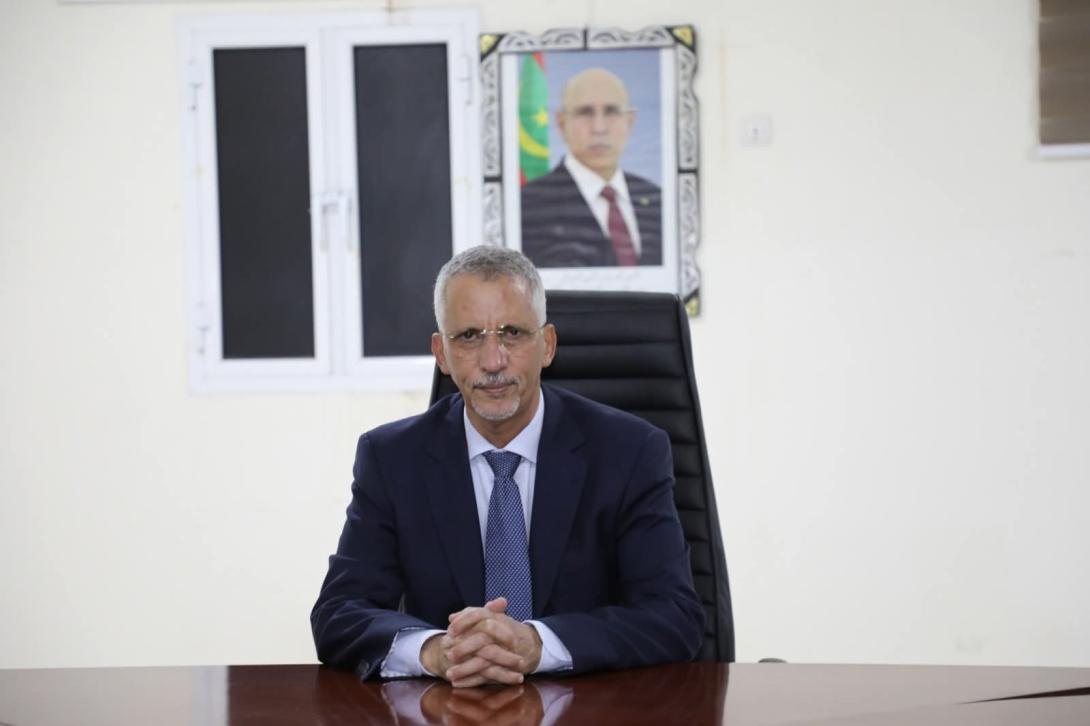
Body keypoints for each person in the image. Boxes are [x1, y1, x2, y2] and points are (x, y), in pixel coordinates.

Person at [311, 246, 702, 687]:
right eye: (469, 336)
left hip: (589, 707)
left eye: (512, 333)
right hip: (448, 707)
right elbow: (338, 612)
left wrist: (538, 644)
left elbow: (675, 615)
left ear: (547, 345)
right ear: (441, 353)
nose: (493, 361)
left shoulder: (628, 452)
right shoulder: (392, 459)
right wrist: (434, 650)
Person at [521, 67, 662, 269]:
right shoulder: (528, 206)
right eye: (585, 112)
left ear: (630, 121)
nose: (599, 128)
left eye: (611, 111)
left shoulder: (656, 199)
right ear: (561, 123)